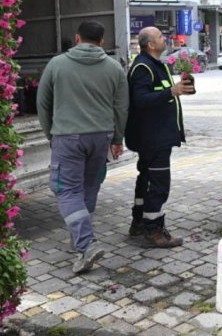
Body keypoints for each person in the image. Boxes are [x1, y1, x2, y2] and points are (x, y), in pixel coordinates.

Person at [37, 20, 128, 273]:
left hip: (67, 136)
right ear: (101, 41)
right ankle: (79, 238)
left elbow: (43, 103)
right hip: (101, 136)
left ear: (77, 38)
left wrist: (51, 134)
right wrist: (117, 139)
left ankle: (86, 244)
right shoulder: (114, 67)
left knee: (66, 189)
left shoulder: (57, 64)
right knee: (89, 186)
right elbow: (121, 107)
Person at [126, 27, 195, 247]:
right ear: (151, 45)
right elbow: (140, 100)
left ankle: (139, 222)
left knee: (146, 179)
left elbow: (162, 94)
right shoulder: (143, 67)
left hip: (157, 136)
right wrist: (171, 92)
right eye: (159, 37)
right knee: (158, 183)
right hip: (153, 138)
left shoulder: (157, 64)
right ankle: (153, 230)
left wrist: (179, 89)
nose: (164, 39)